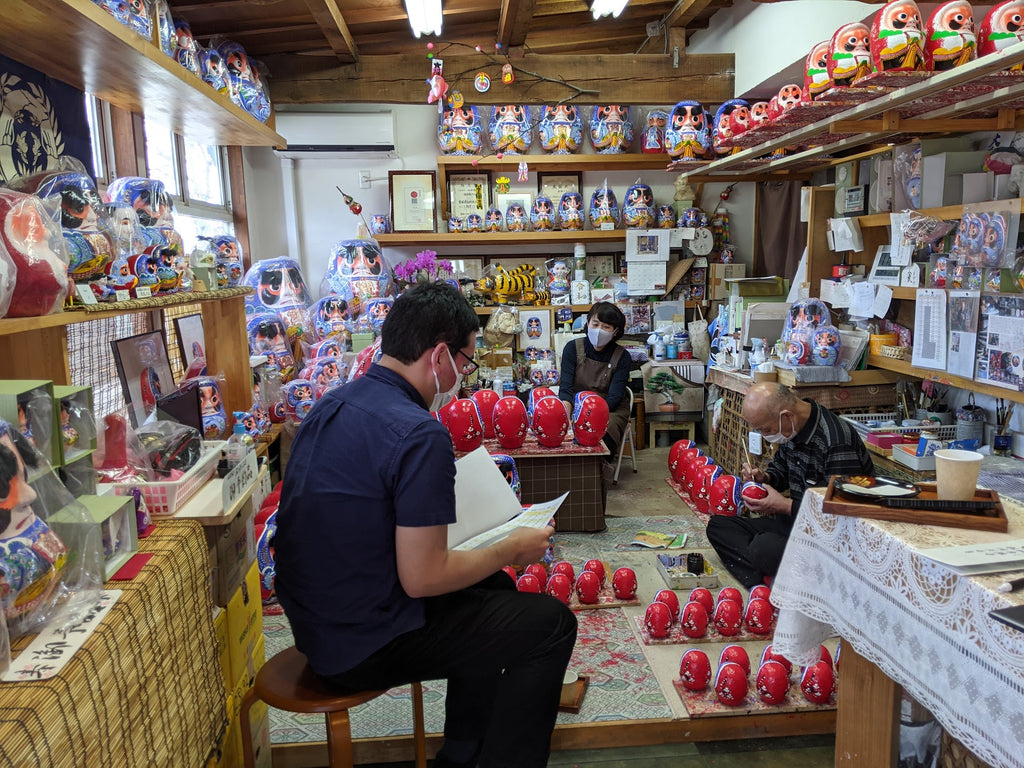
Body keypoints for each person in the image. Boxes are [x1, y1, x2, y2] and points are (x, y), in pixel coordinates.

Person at [273, 281, 577, 768]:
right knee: (550, 625)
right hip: (361, 643)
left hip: (315, 621)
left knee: (495, 591)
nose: (464, 374)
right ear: (439, 356)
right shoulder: (419, 433)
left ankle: (462, 751)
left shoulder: (332, 403)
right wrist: (511, 546)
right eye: (466, 360)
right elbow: (423, 577)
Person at [706, 382, 873, 589]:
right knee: (718, 526)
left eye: (766, 429)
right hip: (797, 521)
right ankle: (771, 580)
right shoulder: (792, 429)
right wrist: (765, 478)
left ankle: (781, 578)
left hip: (829, 540)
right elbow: (781, 470)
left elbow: (840, 514)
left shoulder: (836, 441)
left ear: (787, 416)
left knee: (763, 547)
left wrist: (785, 506)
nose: (766, 436)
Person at [558, 302, 633, 464]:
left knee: (608, 427)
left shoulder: (623, 356)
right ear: (588, 323)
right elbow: (565, 388)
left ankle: (599, 472)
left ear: (615, 332)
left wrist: (589, 417)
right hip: (575, 405)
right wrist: (567, 414)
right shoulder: (572, 348)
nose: (599, 330)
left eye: (606, 327)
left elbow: (614, 397)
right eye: (595, 324)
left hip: (609, 409)